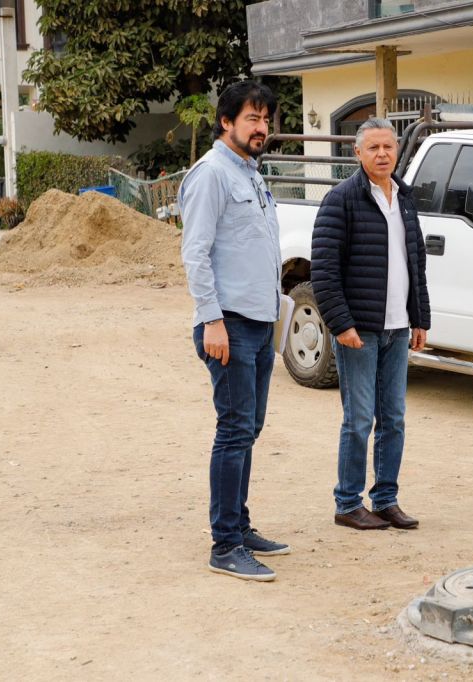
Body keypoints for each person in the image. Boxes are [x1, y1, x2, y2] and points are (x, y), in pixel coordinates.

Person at [179, 80, 289, 581]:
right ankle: (224, 544)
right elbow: (195, 253)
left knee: (249, 428)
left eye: (266, 119)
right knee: (234, 430)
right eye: (252, 118)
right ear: (226, 121)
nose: (261, 128)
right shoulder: (211, 175)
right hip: (229, 325)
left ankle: (239, 526)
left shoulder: (251, 174)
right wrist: (211, 320)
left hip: (259, 322)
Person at [311, 118, 430, 531]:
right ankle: (347, 503)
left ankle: (385, 499)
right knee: (359, 419)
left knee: (393, 418)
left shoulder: (405, 197)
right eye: (374, 148)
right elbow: (324, 271)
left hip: (398, 328)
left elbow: (416, 261)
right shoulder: (341, 200)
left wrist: (420, 318)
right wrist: (341, 325)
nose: (382, 154)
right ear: (357, 153)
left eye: (389, 147)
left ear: (398, 152)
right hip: (358, 330)